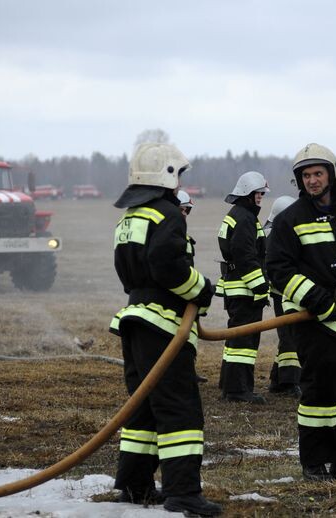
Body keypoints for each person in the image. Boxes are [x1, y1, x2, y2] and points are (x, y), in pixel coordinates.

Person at [108, 143, 222, 517]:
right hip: (163, 324)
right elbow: (166, 265)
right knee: (179, 411)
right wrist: (201, 289)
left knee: (142, 410)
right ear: (169, 175)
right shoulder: (168, 214)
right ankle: (184, 493)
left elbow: (130, 270)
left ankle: (133, 485)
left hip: (134, 319)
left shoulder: (130, 218)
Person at [266, 143, 336, 481]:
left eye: (318, 173)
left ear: (331, 174)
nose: (312, 180)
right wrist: (320, 301)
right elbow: (277, 268)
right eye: (306, 175)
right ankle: (314, 462)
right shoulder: (291, 219)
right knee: (320, 392)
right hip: (313, 319)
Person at [217, 170, 270, 403]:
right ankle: (239, 390)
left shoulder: (238, 214)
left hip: (236, 288)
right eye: (259, 194)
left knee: (235, 339)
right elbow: (246, 257)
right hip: (245, 290)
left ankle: (229, 386)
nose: (261, 197)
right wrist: (260, 288)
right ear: (248, 194)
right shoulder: (245, 218)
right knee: (244, 342)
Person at [263, 195, 302, 397]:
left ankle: (277, 380)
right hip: (283, 293)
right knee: (289, 337)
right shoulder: (272, 235)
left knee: (288, 337)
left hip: (289, 291)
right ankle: (288, 383)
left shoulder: (274, 232)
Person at [177, 189, 208, 384]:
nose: (184, 215)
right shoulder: (172, 235)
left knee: (190, 335)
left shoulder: (183, 235)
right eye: (181, 210)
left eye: (187, 211)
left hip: (186, 295)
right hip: (177, 296)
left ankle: (188, 370)